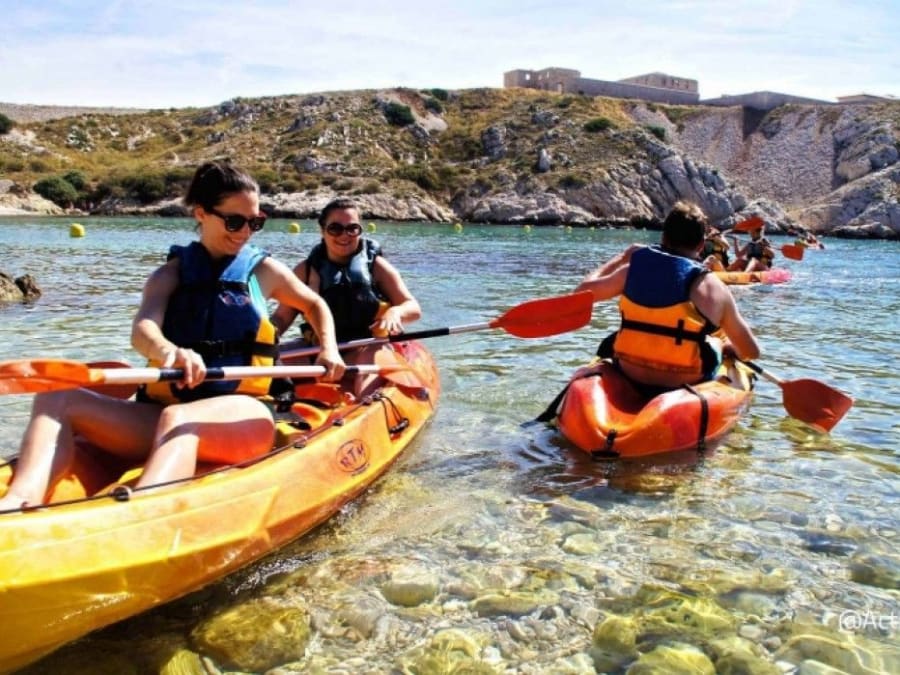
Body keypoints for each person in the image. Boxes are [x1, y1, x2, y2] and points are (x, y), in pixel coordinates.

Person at [0, 162, 345, 511]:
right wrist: (169, 351)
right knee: (55, 398)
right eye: (235, 221)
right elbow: (143, 329)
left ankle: (139, 514)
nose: (246, 232)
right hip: (164, 410)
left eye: (255, 222)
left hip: (243, 415)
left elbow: (314, 304)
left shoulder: (263, 272)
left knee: (179, 420)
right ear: (201, 214)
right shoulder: (170, 275)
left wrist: (329, 349)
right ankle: (17, 503)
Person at [572, 201, 760, 393]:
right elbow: (751, 351)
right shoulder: (713, 287)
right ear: (701, 245)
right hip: (684, 379)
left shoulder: (630, 271)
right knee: (716, 341)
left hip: (630, 371)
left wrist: (621, 258)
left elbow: (581, 293)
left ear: (663, 237)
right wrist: (726, 347)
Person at [271, 197, 421, 397]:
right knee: (261, 363)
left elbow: (412, 308)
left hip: (365, 348)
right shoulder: (304, 271)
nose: (345, 235)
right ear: (322, 231)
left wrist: (395, 312)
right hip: (316, 350)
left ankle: (363, 404)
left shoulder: (377, 267)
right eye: (335, 228)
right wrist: (262, 339)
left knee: (370, 365)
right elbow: (281, 317)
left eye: (352, 228)